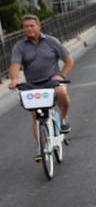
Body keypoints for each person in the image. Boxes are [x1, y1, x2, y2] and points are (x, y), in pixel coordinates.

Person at [6, 14, 74, 160]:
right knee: (35, 115)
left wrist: (61, 75)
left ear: (39, 26)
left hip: (53, 82)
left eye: (32, 25)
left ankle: (63, 119)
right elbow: (15, 65)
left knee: (62, 93)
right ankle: (41, 147)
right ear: (23, 29)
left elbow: (69, 61)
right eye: (26, 27)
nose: (29, 29)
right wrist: (14, 79)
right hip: (33, 85)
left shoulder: (51, 41)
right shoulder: (19, 46)